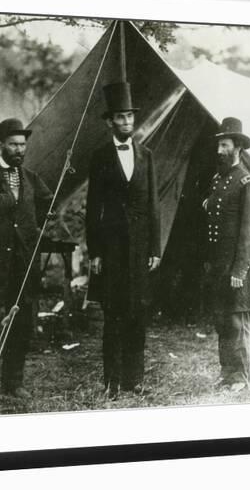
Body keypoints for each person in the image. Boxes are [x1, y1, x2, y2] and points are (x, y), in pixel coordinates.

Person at [0, 118, 53, 413]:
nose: (19, 149)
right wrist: (6, 198)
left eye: (22, 144)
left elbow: (45, 205)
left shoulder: (30, 177)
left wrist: (42, 220)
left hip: (23, 266)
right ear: (0, 144)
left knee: (22, 325)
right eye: (13, 144)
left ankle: (13, 383)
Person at [85, 82, 161, 399]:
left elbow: (154, 205)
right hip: (112, 249)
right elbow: (93, 208)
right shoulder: (100, 157)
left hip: (141, 249)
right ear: (110, 122)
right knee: (114, 315)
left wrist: (155, 249)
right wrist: (96, 252)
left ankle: (135, 379)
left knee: (137, 315)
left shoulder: (147, 156)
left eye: (130, 116)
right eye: (120, 117)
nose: (127, 122)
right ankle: (112, 382)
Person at [202, 117, 250, 393]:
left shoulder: (246, 183)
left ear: (237, 147)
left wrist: (239, 271)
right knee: (222, 321)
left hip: (236, 268)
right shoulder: (217, 180)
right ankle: (227, 374)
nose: (219, 151)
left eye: (224, 145)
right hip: (218, 265)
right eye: (218, 145)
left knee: (237, 322)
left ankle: (241, 377)